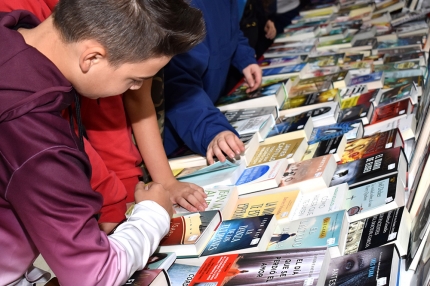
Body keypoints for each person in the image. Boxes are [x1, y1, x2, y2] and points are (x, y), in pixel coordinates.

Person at [0, 0, 205, 284]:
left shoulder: (16, 37)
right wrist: (154, 213)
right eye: (134, 79)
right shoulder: (33, 134)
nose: (135, 89)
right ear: (92, 57)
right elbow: (95, 275)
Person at [163, 0, 263, 165]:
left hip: (208, 109)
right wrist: (211, 130)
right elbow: (178, 83)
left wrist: (244, 58)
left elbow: (231, 31)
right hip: (182, 128)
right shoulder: (185, 7)